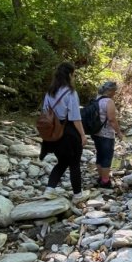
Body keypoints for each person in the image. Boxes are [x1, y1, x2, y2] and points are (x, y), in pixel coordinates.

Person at [39, 62, 88, 202]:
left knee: (62, 162)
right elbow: (75, 117)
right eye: (74, 74)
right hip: (69, 133)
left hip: (54, 133)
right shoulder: (71, 92)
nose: (74, 77)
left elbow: (45, 112)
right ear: (69, 74)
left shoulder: (50, 92)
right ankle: (78, 195)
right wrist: (83, 135)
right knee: (74, 163)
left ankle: (49, 189)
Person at [91, 81, 124, 187]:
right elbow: (112, 119)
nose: (115, 93)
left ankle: (101, 177)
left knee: (100, 155)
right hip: (106, 134)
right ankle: (105, 181)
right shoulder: (109, 101)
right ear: (109, 91)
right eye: (114, 91)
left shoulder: (97, 99)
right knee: (107, 157)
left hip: (96, 132)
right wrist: (119, 132)